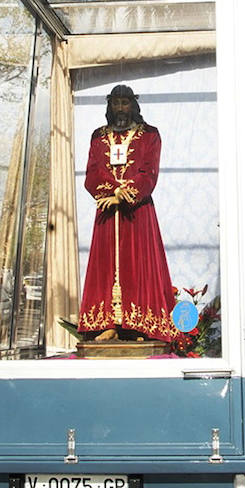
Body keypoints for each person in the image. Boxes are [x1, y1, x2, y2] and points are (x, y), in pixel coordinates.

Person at [77, 85, 176, 343]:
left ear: (133, 105)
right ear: (110, 106)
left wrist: (123, 194)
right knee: (107, 267)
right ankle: (109, 323)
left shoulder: (149, 135)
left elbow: (149, 172)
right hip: (108, 212)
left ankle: (139, 326)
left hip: (137, 212)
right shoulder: (98, 137)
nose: (121, 108)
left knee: (139, 265)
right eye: (116, 103)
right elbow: (92, 173)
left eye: (125, 103)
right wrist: (110, 194)